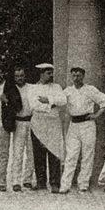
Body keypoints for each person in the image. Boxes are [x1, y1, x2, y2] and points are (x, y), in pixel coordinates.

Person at [59, 66, 105, 194]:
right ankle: (65, 184)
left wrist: (97, 114)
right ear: (71, 76)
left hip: (88, 124)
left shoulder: (90, 89)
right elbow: (57, 100)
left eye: (79, 75)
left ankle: (83, 183)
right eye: (74, 76)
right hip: (74, 125)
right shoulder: (68, 91)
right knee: (71, 155)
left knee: (87, 154)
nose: (76, 78)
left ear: (83, 76)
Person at [29, 63, 67, 193]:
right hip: (38, 124)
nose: (51, 75)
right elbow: (33, 105)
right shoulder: (33, 88)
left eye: (51, 73)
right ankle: (41, 182)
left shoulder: (56, 87)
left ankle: (55, 183)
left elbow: (63, 100)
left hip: (53, 125)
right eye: (48, 73)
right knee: (38, 154)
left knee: (54, 152)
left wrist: (48, 100)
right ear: (41, 74)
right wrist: (51, 105)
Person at [8, 65, 35, 192]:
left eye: (21, 75)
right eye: (17, 76)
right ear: (14, 77)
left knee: (31, 152)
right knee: (17, 153)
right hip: (18, 123)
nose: (19, 78)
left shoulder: (32, 88)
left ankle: (27, 179)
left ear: (25, 76)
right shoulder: (11, 89)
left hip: (31, 121)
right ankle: (15, 181)